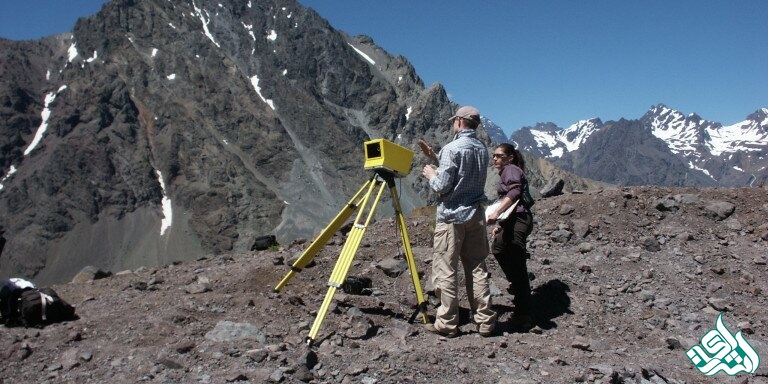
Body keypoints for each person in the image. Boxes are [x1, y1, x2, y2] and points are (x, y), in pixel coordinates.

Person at [418, 105, 497, 337]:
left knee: (446, 269)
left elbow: (443, 186)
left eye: (454, 120)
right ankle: (485, 321)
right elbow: (464, 171)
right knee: (476, 267)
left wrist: (432, 174)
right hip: (475, 215)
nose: (453, 123)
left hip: (452, 217)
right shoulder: (482, 149)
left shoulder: (452, 149)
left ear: (460, 122)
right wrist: (435, 155)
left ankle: (447, 323)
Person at [486, 143, 534, 329]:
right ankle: (517, 284)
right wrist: (501, 225)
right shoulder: (508, 170)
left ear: (510, 157)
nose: (495, 159)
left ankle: (524, 314)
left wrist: (496, 212)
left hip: (520, 219)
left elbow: (514, 192)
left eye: (499, 155)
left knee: (516, 260)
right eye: (494, 156)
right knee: (498, 247)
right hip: (513, 220)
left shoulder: (511, 170)